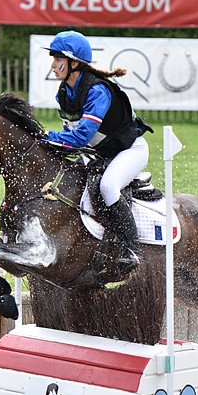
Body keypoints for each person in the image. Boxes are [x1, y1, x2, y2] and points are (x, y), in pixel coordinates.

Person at [42, 30, 152, 274]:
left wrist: (48, 138)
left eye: (58, 59)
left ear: (74, 63)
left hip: (130, 150)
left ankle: (132, 250)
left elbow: (80, 136)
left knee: (108, 186)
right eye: (53, 59)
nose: (53, 65)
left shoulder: (97, 92)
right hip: (99, 154)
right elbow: (71, 135)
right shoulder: (64, 93)